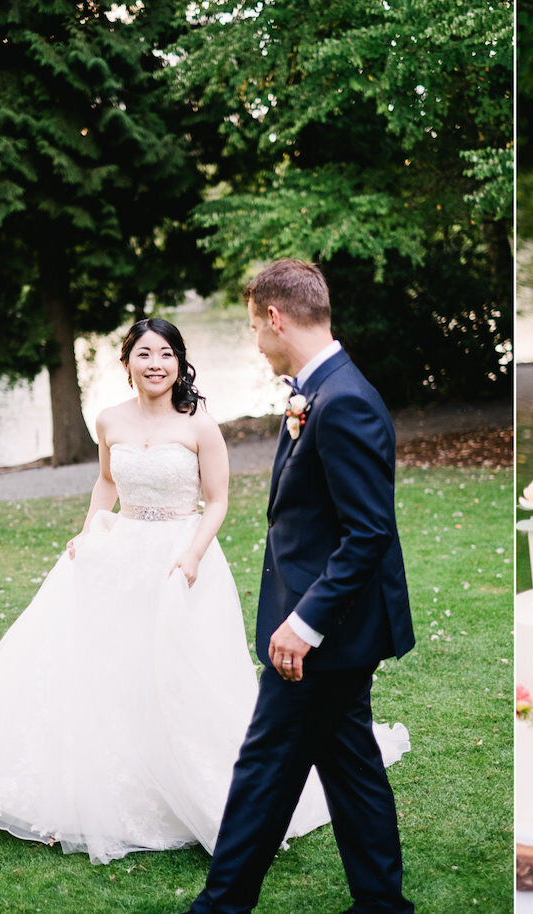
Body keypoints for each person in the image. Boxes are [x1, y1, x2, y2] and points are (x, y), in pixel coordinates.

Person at [0, 317, 410, 864]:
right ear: (127, 364)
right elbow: (107, 482)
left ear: (180, 363)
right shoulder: (109, 421)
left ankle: (209, 789)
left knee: (179, 676)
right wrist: (91, 528)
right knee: (111, 671)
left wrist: (190, 553)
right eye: (144, 354)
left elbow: (216, 500)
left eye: (166, 354)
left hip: (182, 558)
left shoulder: (199, 425)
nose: (156, 364)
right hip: (123, 553)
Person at [185, 259, 415, 914]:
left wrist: (305, 622)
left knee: (263, 772)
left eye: (256, 328)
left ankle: (218, 908)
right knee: (351, 767)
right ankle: (382, 904)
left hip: (322, 638)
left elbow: (368, 534)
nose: (257, 343)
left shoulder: (342, 402)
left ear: (276, 318)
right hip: (328, 632)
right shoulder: (323, 389)